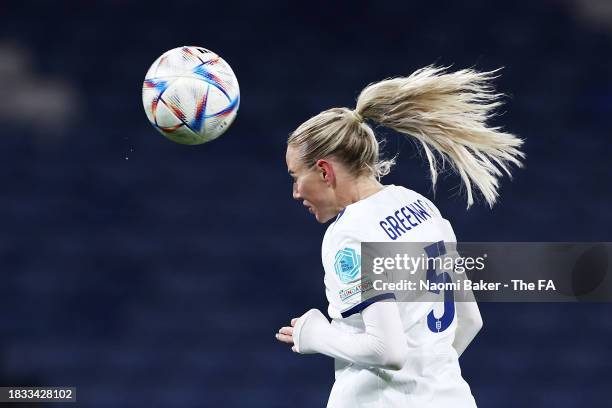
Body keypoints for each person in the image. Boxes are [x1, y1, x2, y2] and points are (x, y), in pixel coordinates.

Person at [275, 66, 524, 407]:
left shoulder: (351, 232)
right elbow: (469, 319)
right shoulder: (420, 206)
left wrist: (314, 334)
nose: (295, 192)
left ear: (324, 171)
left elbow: (387, 350)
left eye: (295, 176)